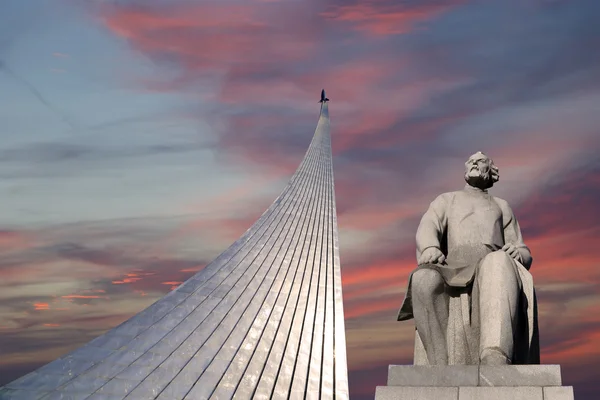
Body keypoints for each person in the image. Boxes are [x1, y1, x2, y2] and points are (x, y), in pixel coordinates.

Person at [397, 151, 539, 365]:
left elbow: (523, 249)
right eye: (470, 161)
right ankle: (439, 365)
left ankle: (494, 353)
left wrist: (517, 253)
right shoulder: (447, 200)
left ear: (490, 171)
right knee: (423, 279)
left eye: (480, 161)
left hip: (489, 263)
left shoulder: (501, 206)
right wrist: (429, 247)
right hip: (452, 265)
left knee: (498, 261)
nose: (474, 163)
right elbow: (429, 224)